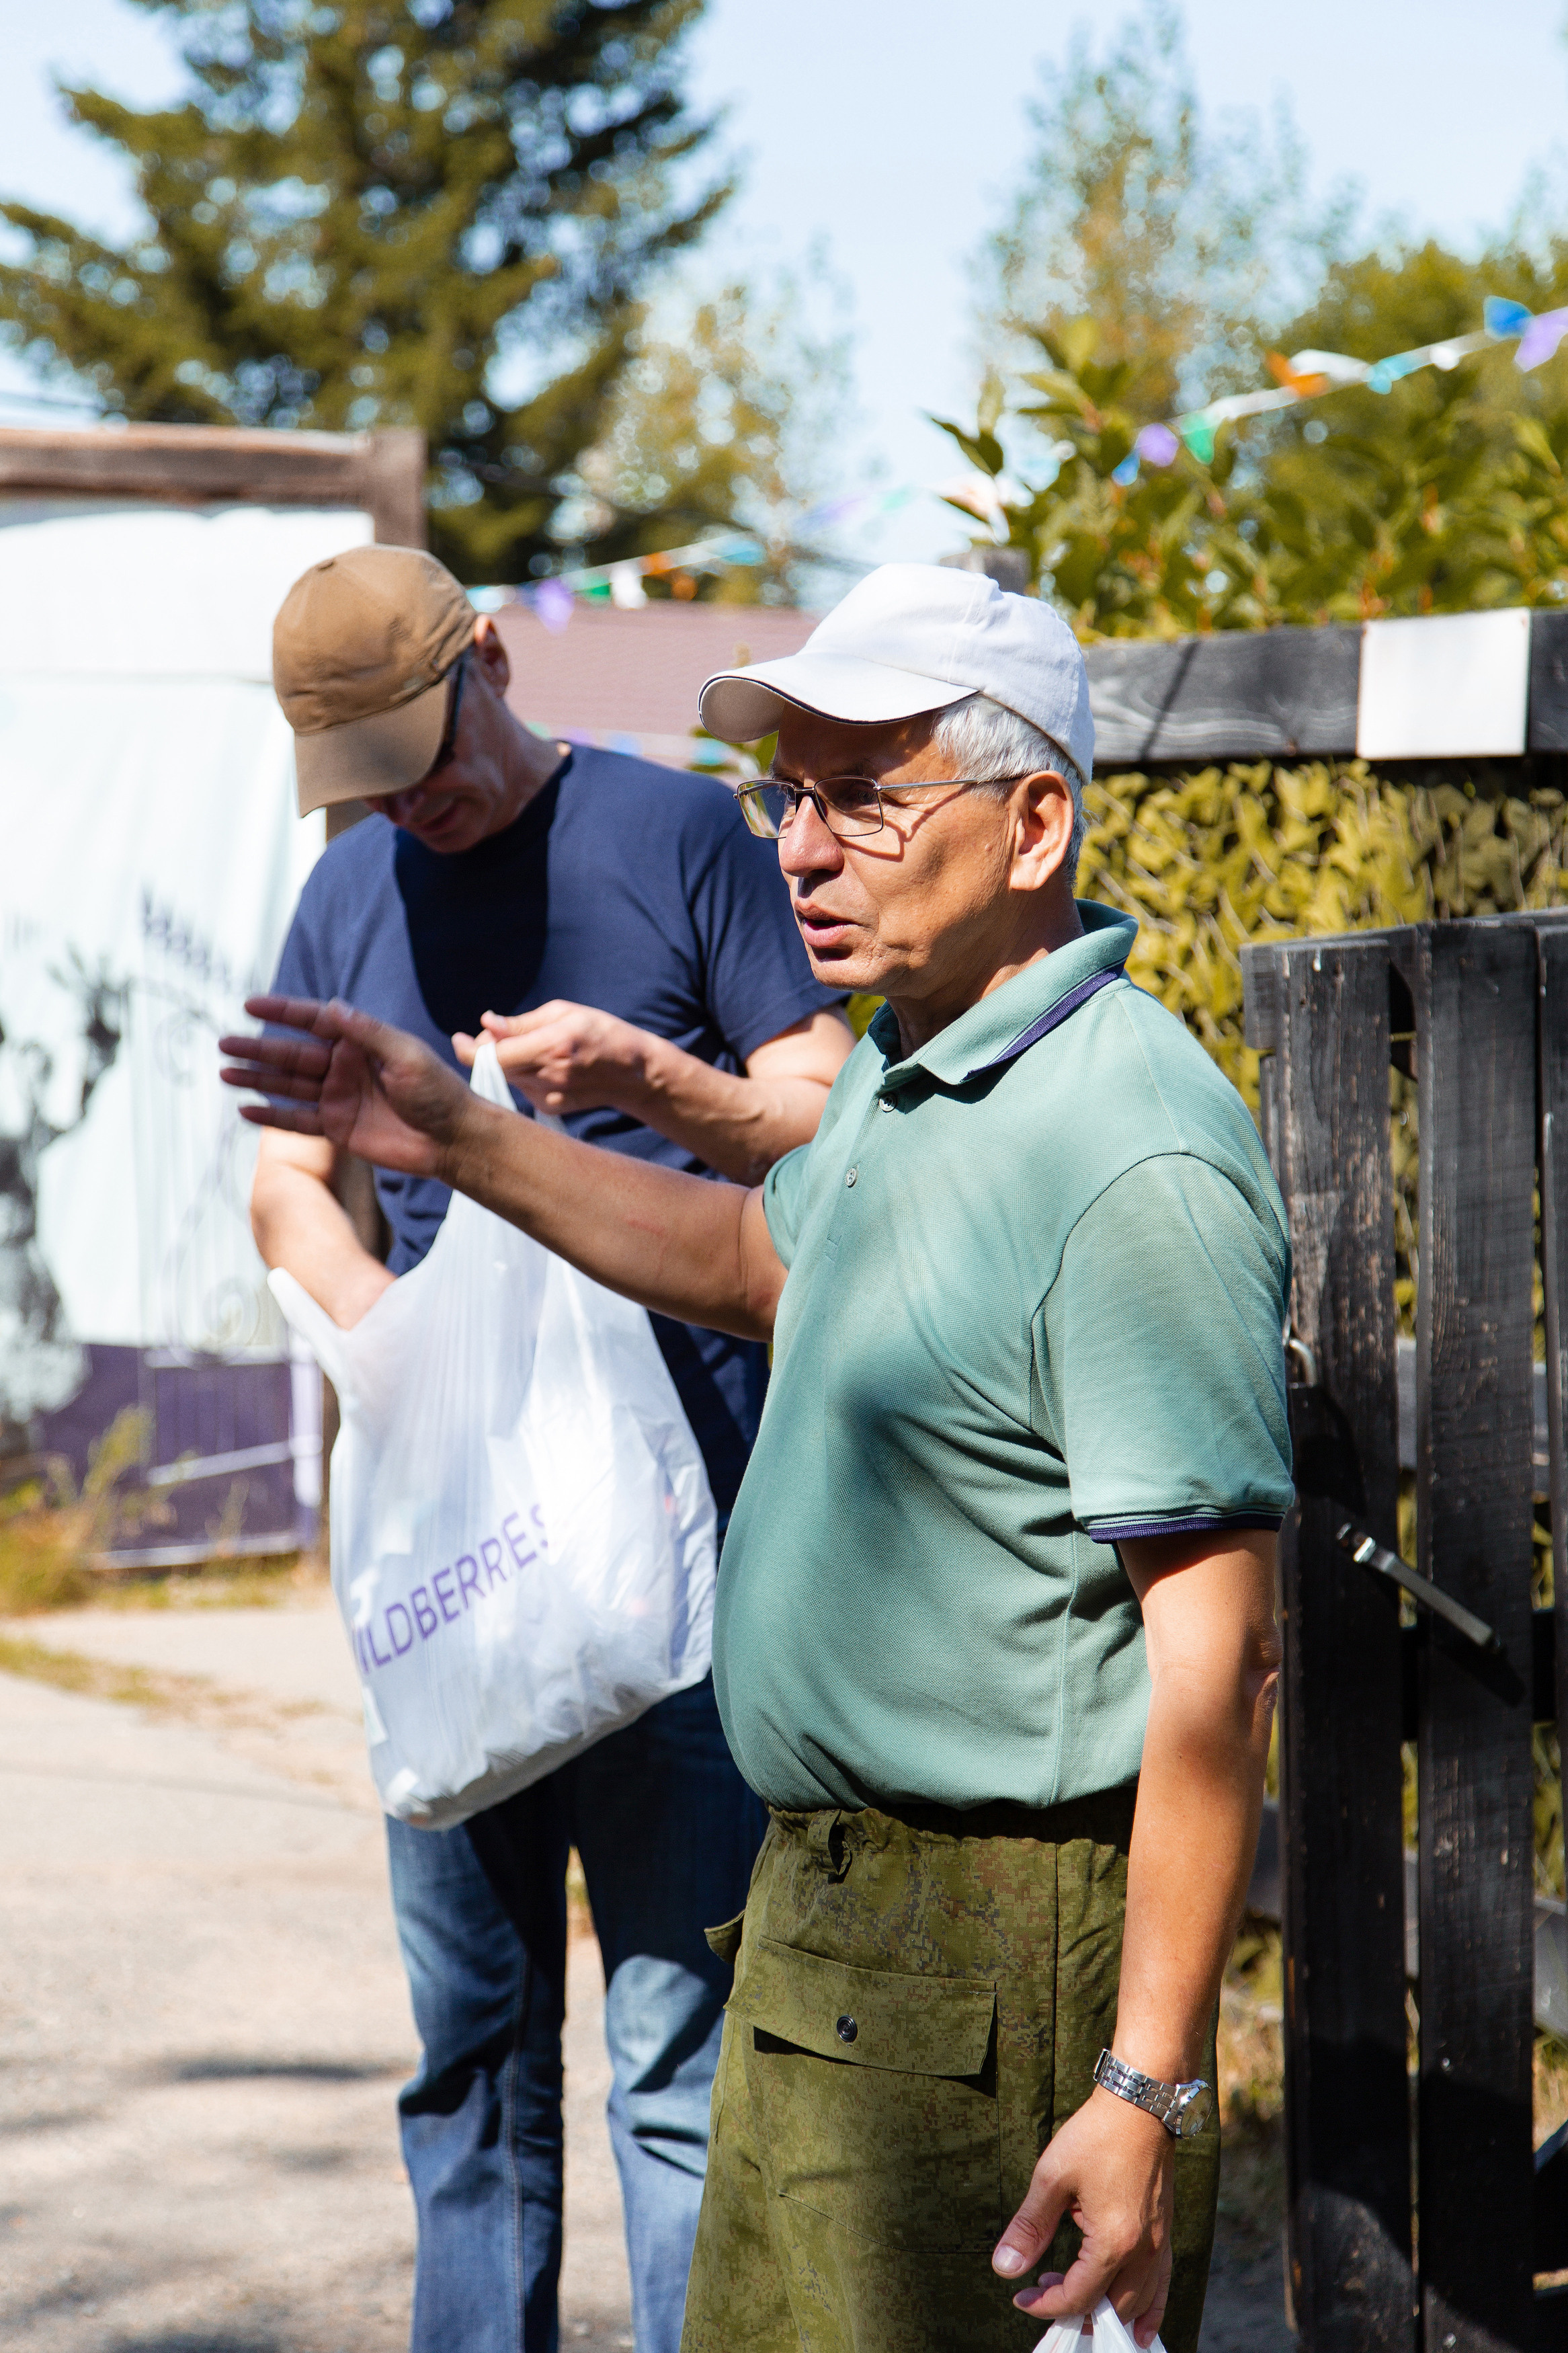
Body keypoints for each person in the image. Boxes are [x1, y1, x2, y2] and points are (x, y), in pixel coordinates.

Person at [225, 561, 1292, 2353]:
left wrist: (1141, 2087)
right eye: (790, 795)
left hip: (989, 1950)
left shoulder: (1131, 1152)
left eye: (864, 796)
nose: (802, 849)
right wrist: (458, 1139)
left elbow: (1223, 1660)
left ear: (1037, 823)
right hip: (836, 1928)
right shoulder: (915, 1063)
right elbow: (753, 1257)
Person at [251, 543, 854, 2353]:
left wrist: (653, 1081)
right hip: (463, 1569)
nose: (407, 804)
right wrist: (401, 1341)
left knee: (681, 2062)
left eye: (421, 751)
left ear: (497, 664)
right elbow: (287, 1187)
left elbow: (826, 1117)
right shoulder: (349, 889)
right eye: (363, 777)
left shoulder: (677, 836)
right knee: (469, 2066)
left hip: (686, 1570)